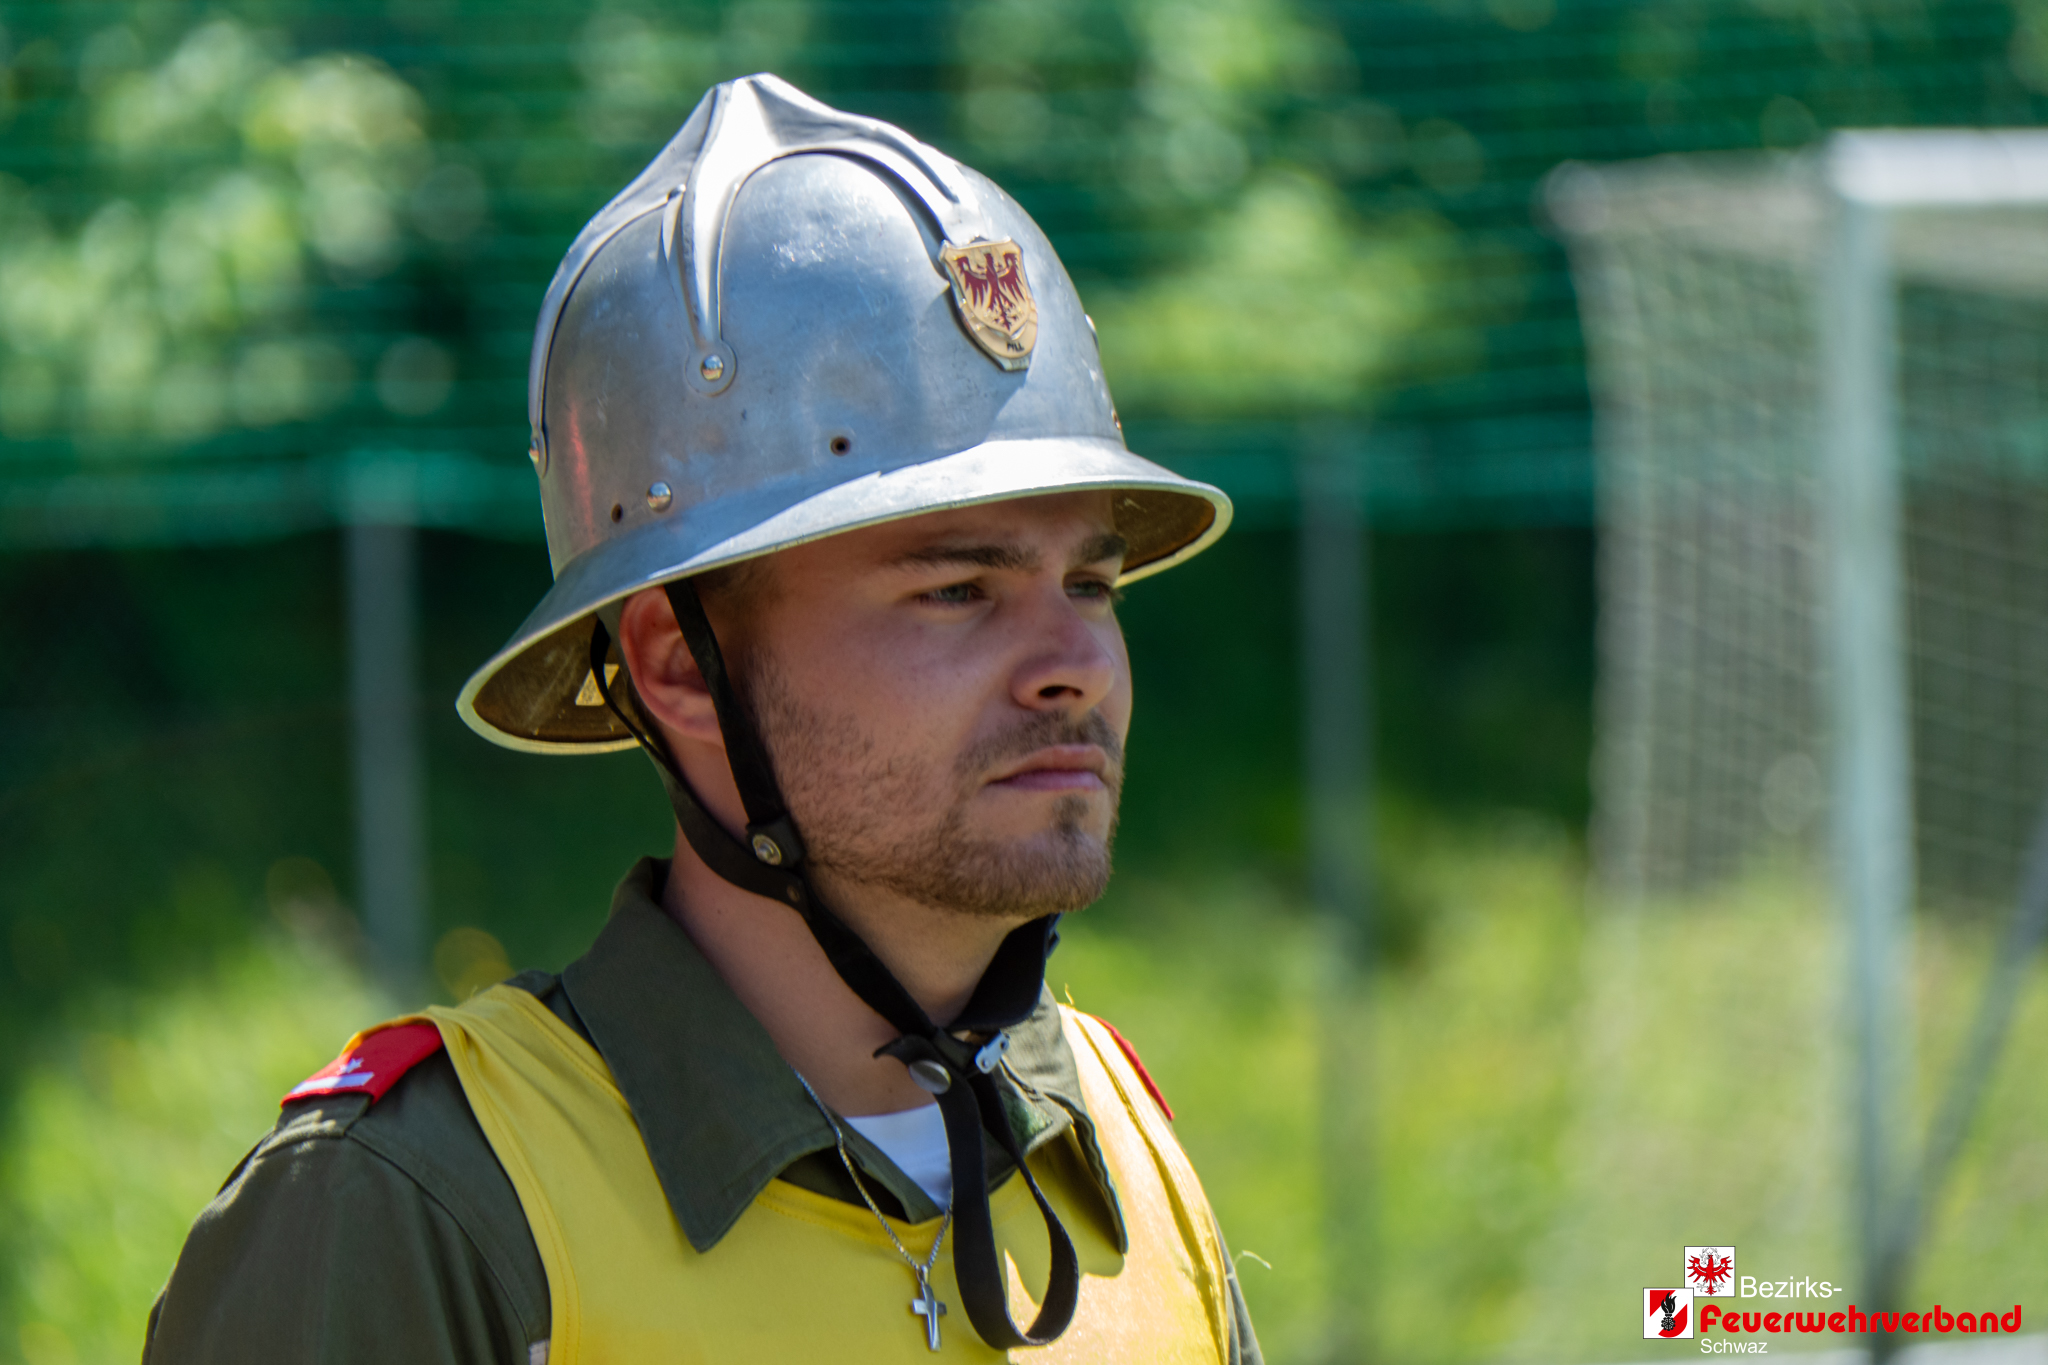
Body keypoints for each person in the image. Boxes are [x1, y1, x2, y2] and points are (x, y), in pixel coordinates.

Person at [145, 73, 1261, 1363]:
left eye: (1091, 585)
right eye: (957, 590)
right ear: (680, 665)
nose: (1074, 666)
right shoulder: (419, 1212)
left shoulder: (1124, 1150)